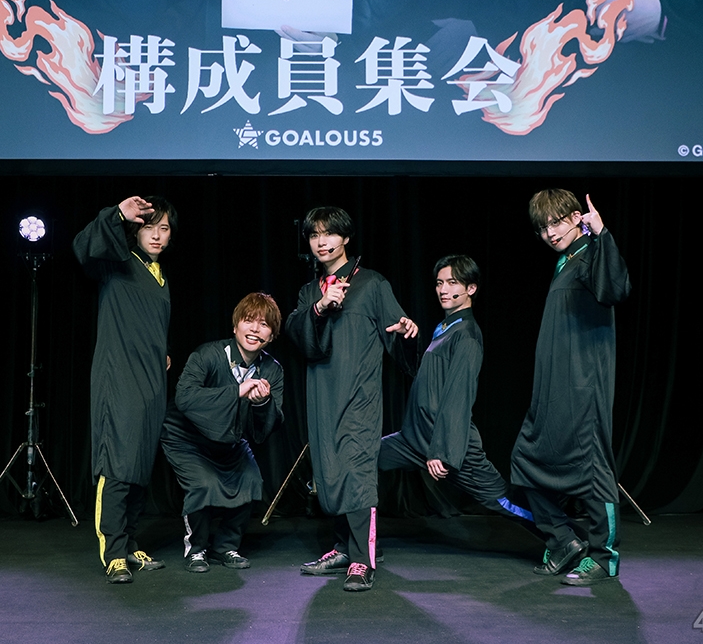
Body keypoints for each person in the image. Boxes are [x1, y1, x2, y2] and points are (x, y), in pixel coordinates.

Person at [284, 206, 418, 592]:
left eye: (329, 233)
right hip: (322, 396)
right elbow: (298, 338)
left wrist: (406, 333)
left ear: (345, 238)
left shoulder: (372, 284)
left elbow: (399, 340)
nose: (321, 242)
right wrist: (319, 308)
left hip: (360, 397)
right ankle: (342, 548)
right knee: (330, 471)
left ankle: (362, 560)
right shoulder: (309, 291)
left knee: (357, 473)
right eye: (314, 235)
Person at [510, 190, 631, 586]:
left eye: (556, 223)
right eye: (542, 227)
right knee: (526, 459)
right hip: (556, 386)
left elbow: (614, 290)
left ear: (576, 217)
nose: (550, 233)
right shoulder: (567, 260)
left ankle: (603, 557)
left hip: (584, 384)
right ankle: (564, 541)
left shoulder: (592, 251)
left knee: (593, 466)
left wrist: (602, 233)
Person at [379, 255, 533, 524]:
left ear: (470, 288)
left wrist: (441, 452)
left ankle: (563, 536)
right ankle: (360, 540)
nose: (443, 289)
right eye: (439, 283)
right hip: (414, 439)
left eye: (452, 282)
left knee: (503, 501)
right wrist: (407, 340)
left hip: (450, 445)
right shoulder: (444, 328)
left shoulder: (467, 335)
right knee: (364, 459)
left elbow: (458, 397)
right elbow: (424, 375)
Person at [73, 195, 176, 584]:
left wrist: (160, 353)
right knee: (117, 463)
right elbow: (84, 247)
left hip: (150, 382)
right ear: (134, 232)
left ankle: (130, 543)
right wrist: (117, 215)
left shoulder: (158, 274)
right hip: (119, 379)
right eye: (149, 227)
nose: (157, 235)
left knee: (139, 465)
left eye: (164, 228)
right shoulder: (118, 263)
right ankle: (114, 552)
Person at [161, 292, 284, 573]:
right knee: (203, 485)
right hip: (187, 437)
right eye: (248, 320)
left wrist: (262, 403)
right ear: (235, 325)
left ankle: (225, 546)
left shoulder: (272, 370)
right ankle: (196, 549)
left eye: (264, 324)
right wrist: (236, 391)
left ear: (272, 335)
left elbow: (271, 425)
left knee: (251, 480)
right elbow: (185, 397)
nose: (255, 329)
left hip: (229, 441)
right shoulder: (208, 354)